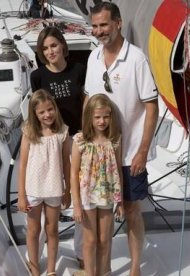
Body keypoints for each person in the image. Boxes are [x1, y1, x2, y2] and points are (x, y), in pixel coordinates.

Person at [84, 2, 159, 276]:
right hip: (100, 154)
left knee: (131, 209)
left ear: (117, 22)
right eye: (94, 26)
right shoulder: (92, 58)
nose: (99, 31)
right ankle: (97, 266)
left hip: (129, 154)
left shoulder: (137, 59)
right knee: (98, 210)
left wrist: (142, 151)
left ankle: (135, 268)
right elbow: (88, 101)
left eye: (103, 25)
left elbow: (152, 106)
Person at [30, 26, 86, 267]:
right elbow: (37, 111)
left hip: (77, 138)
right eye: (45, 48)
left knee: (81, 196)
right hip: (49, 144)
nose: (50, 51)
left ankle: (82, 252)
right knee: (46, 197)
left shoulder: (79, 70)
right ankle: (36, 254)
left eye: (53, 45)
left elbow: (86, 103)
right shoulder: (38, 76)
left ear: (63, 45)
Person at [18, 89, 71, 276]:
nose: (47, 114)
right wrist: (21, 196)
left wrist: (68, 190)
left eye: (50, 109)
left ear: (55, 109)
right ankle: (34, 269)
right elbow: (22, 165)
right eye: (41, 112)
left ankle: (50, 270)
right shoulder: (29, 132)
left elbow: (66, 163)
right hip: (33, 189)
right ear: (35, 114)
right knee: (33, 230)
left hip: (55, 188)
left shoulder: (63, 132)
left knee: (52, 229)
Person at [71, 94, 124, 276]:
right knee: (90, 240)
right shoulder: (80, 140)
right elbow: (73, 173)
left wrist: (121, 200)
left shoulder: (115, 139)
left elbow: (118, 170)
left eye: (106, 116)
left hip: (107, 195)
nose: (102, 121)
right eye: (97, 117)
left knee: (104, 239)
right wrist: (76, 204)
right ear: (89, 117)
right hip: (87, 197)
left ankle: (104, 272)